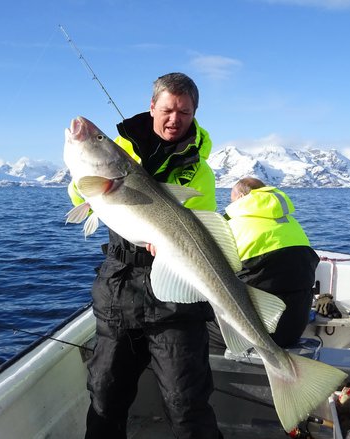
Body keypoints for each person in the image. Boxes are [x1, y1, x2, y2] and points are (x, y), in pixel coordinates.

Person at [68, 73, 222, 439]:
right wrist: (84, 183)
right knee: (105, 397)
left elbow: (203, 229)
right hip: (119, 291)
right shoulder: (121, 152)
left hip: (176, 301)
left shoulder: (199, 169)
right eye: (168, 109)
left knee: (187, 406)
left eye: (184, 112)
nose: (175, 118)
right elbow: (82, 203)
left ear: (194, 113)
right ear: (152, 106)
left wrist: (170, 245)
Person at [208, 177, 320, 352]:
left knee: (194, 322)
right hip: (294, 327)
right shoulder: (292, 224)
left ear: (240, 198)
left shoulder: (229, 227)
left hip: (252, 332)